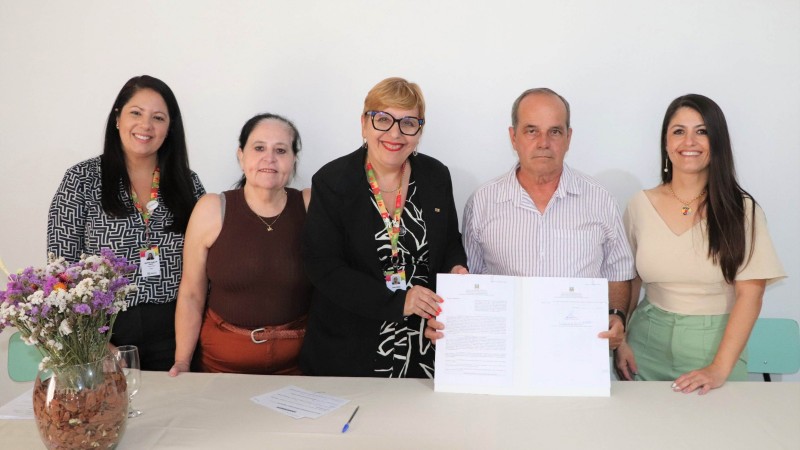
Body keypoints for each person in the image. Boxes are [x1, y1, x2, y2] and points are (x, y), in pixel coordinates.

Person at [426, 88, 636, 349]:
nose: (543, 142)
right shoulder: (483, 202)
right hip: (505, 352)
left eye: (555, 131)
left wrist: (616, 315)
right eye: (531, 131)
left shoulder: (600, 200)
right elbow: (471, 281)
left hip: (578, 352)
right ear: (513, 137)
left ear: (569, 138)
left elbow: (617, 271)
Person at [614, 94, 785, 394]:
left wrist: (719, 368)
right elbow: (631, 279)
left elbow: (751, 294)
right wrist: (622, 340)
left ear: (717, 142)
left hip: (714, 347)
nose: (689, 141)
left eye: (702, 131)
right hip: (645, 346)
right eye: (678, 131)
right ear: (666, 143)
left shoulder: (741, 210)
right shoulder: (640, 205)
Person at [300, 77, 468, 378]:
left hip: (422, 347)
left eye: (408, 123)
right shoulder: (332, 182)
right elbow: (324, 268)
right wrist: (398, 302)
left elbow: (449, 242)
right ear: (364, 125)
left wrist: (457, 268)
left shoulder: (435, 176)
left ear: (419, 131)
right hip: (350, 351)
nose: (395, 133)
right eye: (383, 120)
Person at [47, 75, 204, 371]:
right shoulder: (81, 180)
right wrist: (93, 342)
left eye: (158, 117)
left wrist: (185, 350)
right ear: (117, 118)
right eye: (136, 113)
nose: (146, 126)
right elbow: (60, 273)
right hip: (105, 334)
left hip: (178, 336)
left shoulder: (188, 183)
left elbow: (206, 266)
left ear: (170, 128)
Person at [169, 114, 311, 376]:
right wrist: (182, 361)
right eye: (259, 148)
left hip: (297, 366)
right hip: (222, 366)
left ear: (293, 160)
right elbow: (191, 293)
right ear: (241, 155)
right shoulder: (212, 208)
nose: (269, 158)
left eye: (280, 150)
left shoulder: (309, 205)